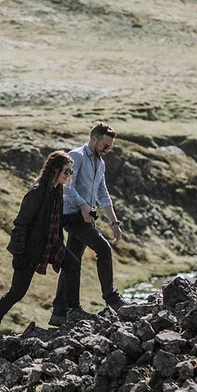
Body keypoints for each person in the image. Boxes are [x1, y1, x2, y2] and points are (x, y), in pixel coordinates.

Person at [0, 151, 83, 341]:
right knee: (17, 292)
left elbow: (56, 220)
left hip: (51, 244)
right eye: (66, 171)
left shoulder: (57, 191)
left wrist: (79, 217)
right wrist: (19, 255)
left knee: (73, 265)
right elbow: (21, 224)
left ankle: (72, 310)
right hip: (30, 251)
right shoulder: (37, 192)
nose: (69, 175)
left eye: (71, 172)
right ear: (55, 170)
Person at [50, 122, 129, 326]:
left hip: (85, 216)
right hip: (72, 216)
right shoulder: (76, 156)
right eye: (105, 145)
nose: (107, 150)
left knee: (72, 262)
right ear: (94, 139)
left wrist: (114, 222)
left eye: (110, 147)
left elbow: (102, 193)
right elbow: (67, 187)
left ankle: (60, 312)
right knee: (104, 249)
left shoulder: (100, 163)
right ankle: (112, 299)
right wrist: (84, 206)